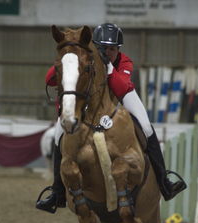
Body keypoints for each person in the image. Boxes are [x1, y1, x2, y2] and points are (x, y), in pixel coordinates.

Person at [36, 23, 186, 213]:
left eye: (112, 49)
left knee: (146, 127)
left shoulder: (124, 62)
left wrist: (107, 67)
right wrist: (67, 61)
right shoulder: (86, 58)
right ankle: (57, 191)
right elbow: (51, 78)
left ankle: (164, 181)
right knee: (59, 135)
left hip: (121, 96)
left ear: (118, 50)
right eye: (103, 48)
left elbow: (121, 87)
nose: (107, 52)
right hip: (87, 103)